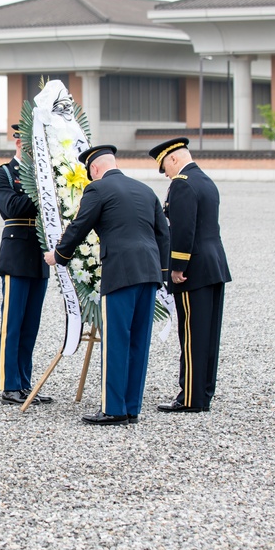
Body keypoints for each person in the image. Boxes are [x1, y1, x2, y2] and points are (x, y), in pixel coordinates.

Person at [44, 145, 169, 426]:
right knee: (138, 341)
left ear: (95, 169)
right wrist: (161, 270)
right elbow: (163, 234)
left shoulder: (97, 190)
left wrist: (59, 255)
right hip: (149, 273)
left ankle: (113, 409)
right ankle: (131, 407)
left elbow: (80, 225)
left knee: (116, 339)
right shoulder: (145, 190)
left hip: (121, 272)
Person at [148, 138, 231, 413]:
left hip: (193, 270)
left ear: (172, 159)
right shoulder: (205, 180)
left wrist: (177, 267)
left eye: (165, 168)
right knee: (208, 334)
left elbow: (183, 229)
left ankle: (190, 398)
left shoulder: (182, 183)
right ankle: (204, 391)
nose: (166, 174)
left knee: (192, 334)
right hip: (214, 265)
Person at [0, 124, 51, 406]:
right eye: (28, 141)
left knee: (31, 324)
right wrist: (43, 190)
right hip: (17, 251)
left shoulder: (46, 174)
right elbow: (12, 207)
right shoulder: (1, 173)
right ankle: (9, 385)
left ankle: (25, 383)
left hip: (40, 254)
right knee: (13, 323)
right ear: (18, 142)